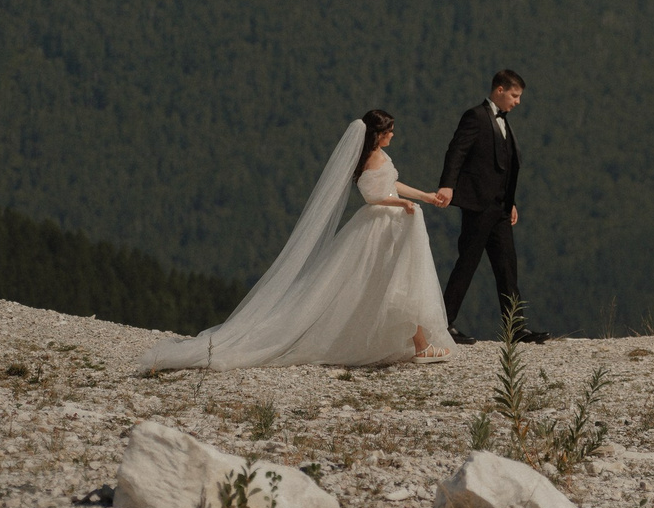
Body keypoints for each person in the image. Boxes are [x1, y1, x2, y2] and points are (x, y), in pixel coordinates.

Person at [140, 111, 453, 371]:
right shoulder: (368, 159)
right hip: (378, 229)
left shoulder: (378, 156)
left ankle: (416, 343)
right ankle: (418, 345)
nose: (393, 136)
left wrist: (422, 195)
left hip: (390, 226)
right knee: (392, 281)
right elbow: (372, 195)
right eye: (389, 131)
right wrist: (401, 204)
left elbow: (391, 184)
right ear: (377, 134)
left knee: (395, 282)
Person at [436, 70, 544, 343]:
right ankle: (442, 324)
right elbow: (456, 151)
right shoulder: (475, 116)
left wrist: (512, 202)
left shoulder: (504, 122)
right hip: (478, 205)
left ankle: (515, 328)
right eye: (515, 95)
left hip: (500, 209)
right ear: (499, 90)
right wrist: (447, 185)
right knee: (467, 263)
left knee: (507, 267)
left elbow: (504, 168)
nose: (518, 102)